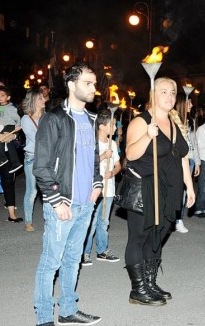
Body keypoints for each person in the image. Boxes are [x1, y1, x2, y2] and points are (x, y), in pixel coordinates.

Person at [33, 63, 103, 325]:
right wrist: (56, 200)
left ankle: (68, 310)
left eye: (94, 83)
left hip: (86, 203)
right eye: (88, 83)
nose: (94, 88)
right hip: (63, 203)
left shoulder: (91, 119)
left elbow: (93, 158)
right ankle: (43, 318)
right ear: (72, 85)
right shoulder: (54, 119)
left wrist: (97, 185)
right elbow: (41, 165)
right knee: (51, 262)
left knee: (73, 260)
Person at [124, 77, 195, 306]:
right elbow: (130, 155)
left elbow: (182, 156)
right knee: (140, 237)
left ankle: (150, 283)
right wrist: (148, 135)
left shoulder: (175, 123)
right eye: (163, 91)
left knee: (158, 237)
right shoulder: (141, 121)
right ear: (153, 95)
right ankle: (138, 290)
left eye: (172, 92)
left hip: (170, 190)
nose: (170, 96)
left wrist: (189, 187)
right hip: (146, 187)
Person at [82, 109, 121, 266]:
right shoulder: (92, 142)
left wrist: (112, 173)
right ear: (102, 126)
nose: (116, 127)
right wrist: (104, 155)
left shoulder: (112, 143)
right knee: (89, 222)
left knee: (103, 222)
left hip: (109, 189)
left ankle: (102, 251)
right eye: (112, 124)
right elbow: (86, 162)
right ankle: (84, 252)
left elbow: (118, 165)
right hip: (94, 188)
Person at [171, 92, 201, 232]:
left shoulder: (189, 121)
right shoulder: (173, 120)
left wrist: (197, 161)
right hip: (178, 159)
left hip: (189, 159)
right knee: (176, 191)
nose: (192, 105)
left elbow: (193, 142)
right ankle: (173, 218)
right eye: (189, 102)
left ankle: (179, 219)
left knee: (185, 192)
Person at [20, 88, 46, 232]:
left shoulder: (47, 116)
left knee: (49, 190)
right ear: (33, 101)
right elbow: (36, 139)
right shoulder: (26, 119)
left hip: (47, 158)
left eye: (43, 98)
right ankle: (28, 221)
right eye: (40, 99)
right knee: (32, 191)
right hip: (33, 157)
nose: (44, 100)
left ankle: (49, 219)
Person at [0, 107, 22, 224]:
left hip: (6, 153)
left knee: (8, 183)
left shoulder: (2, 114)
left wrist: (12, 136)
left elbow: (13, 130)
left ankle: (12, 215)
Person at [0, 84, 23, 173]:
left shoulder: (11, 108)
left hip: (10, 126)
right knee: (10, 145)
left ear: (8, 97)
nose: (0, 97)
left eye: (3, 95)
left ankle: (2, 158)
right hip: (4, 126)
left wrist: (18, 126)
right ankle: (16, 163)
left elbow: (17, 118)